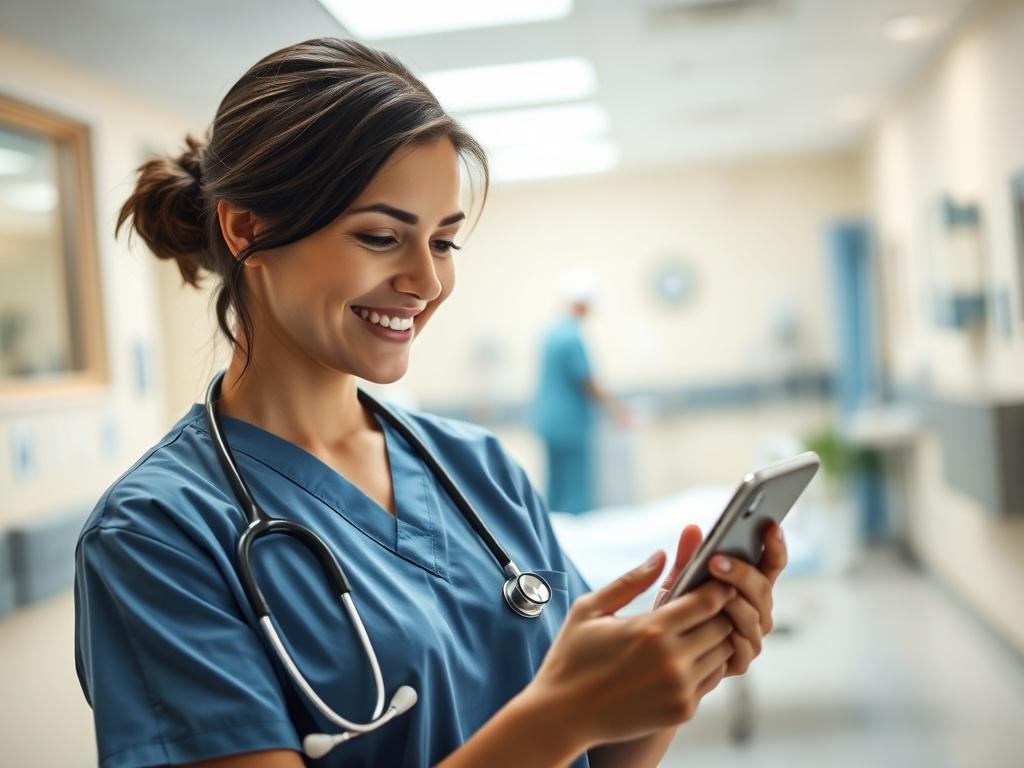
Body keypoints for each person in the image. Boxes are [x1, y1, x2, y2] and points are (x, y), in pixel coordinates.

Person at [73, 38, 788, 768]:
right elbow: (561, 731)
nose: (426, 281)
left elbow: (596, 758)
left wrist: (667, 673)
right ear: (245, 227)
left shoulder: (475, 470)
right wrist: (561, 718)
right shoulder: (157, 537)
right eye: (382, 237)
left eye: (443, 243)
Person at [531, 272, 630, 514]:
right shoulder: (571, 336)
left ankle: (554, 538)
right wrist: (618, 411)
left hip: (550, 422)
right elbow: (588, 381)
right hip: (569, 425)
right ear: (584, 303)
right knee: (575, 491)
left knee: (556, 487)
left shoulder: (552, 332)